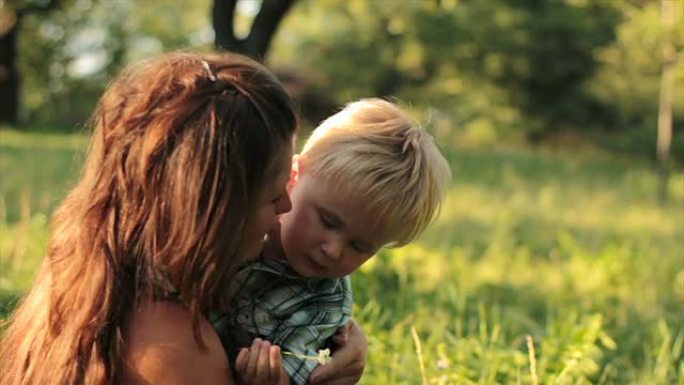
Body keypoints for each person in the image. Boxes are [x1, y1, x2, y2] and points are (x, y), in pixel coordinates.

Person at [0, 52, 366, 385]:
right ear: (216, 212)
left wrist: (328, 338)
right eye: (272, 196)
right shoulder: (176, 348)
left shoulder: (85, 262)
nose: (285, 208)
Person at [211, 98, 452, 385]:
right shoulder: (240, 219)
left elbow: (300, 371)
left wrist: (271, 379)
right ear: (293, 176)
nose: (333, 250)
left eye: (360, 247)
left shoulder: (325, 306)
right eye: (328, 221)